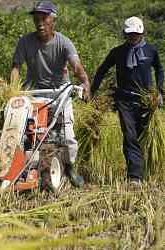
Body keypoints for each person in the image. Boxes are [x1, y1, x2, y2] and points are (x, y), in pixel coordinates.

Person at [11, 1, 90, 188]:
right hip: (34, 92)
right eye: (36, 19)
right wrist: (13, 90)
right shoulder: (25, 42)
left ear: (53, 20)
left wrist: (85, 82)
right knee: (27, 134)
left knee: (67, 135)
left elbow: (76, 66)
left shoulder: (63, 42)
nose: (40, 23)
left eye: (44, 18)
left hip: (60, 92)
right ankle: (24, 168)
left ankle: (70, 167)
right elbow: (16, 67)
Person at [91, 16, 164, 187]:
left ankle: (144, 169)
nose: (133, 37)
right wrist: (92, 91)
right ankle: (134, 177)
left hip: (146, 102)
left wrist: (160, 91)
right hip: (124, 100)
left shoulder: (151, 51)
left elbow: (160, 70)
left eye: (136, 34)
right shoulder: (117, 52)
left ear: (141, 33)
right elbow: (101, 70)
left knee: (141, 137)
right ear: (125, 34)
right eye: (130, 34)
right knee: (130, 136)